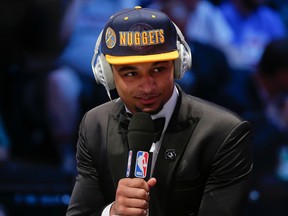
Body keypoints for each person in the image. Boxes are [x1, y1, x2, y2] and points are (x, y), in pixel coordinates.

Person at [66, 6, 253, 216]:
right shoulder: (95, 124)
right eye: (131, 74)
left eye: (158, 70)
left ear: (179, 65)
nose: (147, 87)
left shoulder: (224, 133)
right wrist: (113, 212)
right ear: (107, 75)